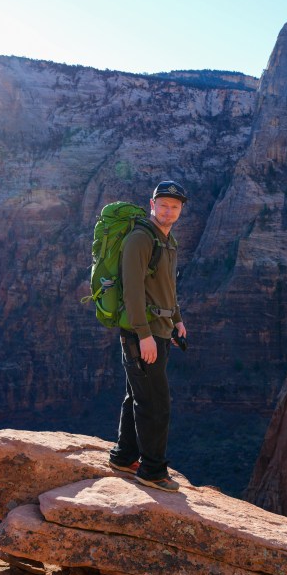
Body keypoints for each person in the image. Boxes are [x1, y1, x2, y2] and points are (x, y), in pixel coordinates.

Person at [108, 180, 188, 491]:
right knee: (156, 404)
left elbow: (167, 286)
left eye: (175, 207)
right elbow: (132, 290)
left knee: (137, 396)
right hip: (142, 335)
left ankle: (124, 456)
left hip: (160, 331)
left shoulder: (167, 240)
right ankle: (152, 471)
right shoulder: (141, 239)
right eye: (163, 205)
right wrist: (143, 335)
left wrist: (177, 320)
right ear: (152, 204)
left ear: (180, 210)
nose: (168, 211)